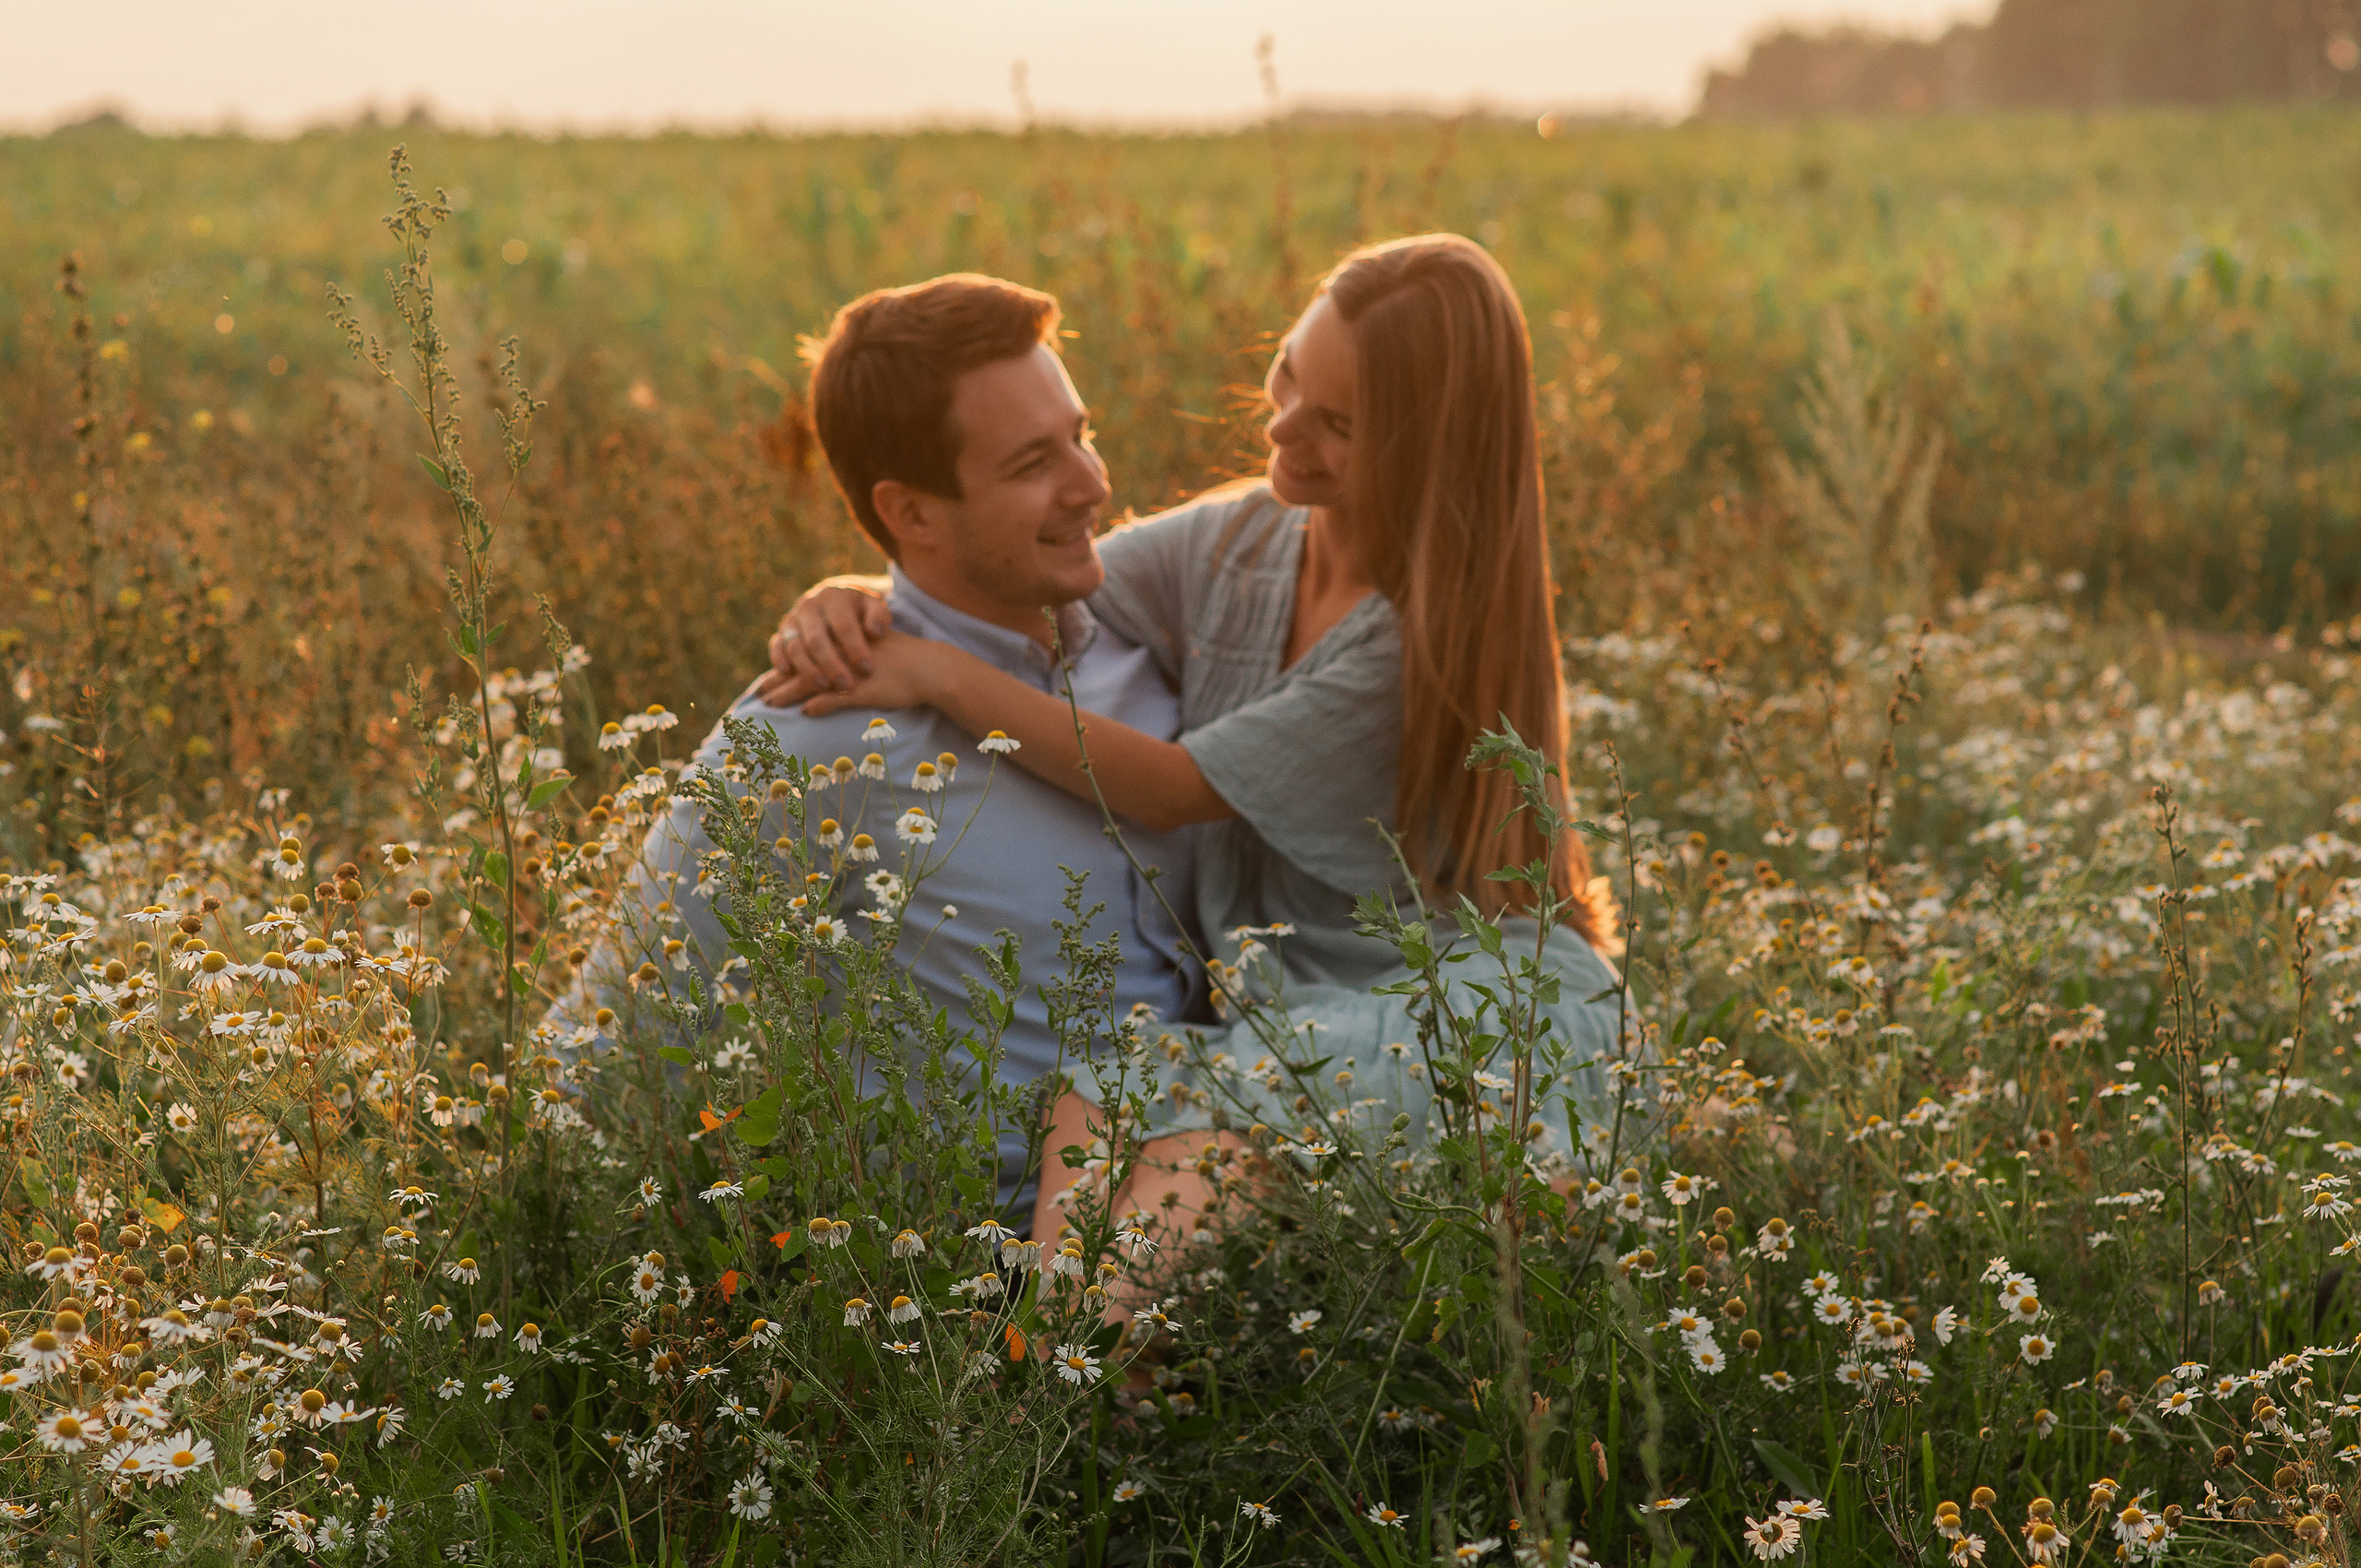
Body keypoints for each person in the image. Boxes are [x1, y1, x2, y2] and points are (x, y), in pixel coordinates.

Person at [756, 234, 1627, 1238]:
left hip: (1436, 1012)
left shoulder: (1407, 635)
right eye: (1288, 373)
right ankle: (1055, 1370)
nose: (1285, 426)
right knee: (1095, 1113)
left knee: (1145, 1143)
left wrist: (940, 675)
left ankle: (1062, 1371)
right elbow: (1014, 576)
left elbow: (1171, 787)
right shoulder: (1241, 538)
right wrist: (861, 593)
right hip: (1274, 1011)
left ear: (1422, 448)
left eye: (1338, 422)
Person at [553, 272, 1202, 1220]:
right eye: (1032, 465)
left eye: (1082, 433)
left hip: (1221, 1218)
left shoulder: (1164, 650)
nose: (1093, 483)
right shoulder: (811, 736)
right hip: (965, 1305)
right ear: (912, 514)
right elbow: (609, 1043)